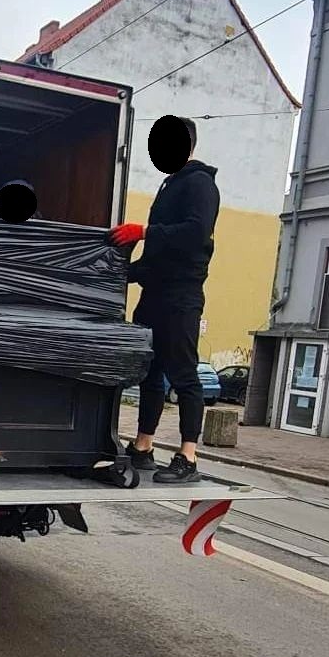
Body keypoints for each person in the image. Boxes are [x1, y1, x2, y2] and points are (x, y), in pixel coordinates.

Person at [109, 117, 219, 484]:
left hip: (181, 298)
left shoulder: (200, 184)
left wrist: (145, 231)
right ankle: (142, 447)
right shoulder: (169, 185)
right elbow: (158, 261)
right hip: (155, 295)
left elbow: (194, 234)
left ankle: (188, 456)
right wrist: (118, 271)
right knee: (150, 374)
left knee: (184, 375)